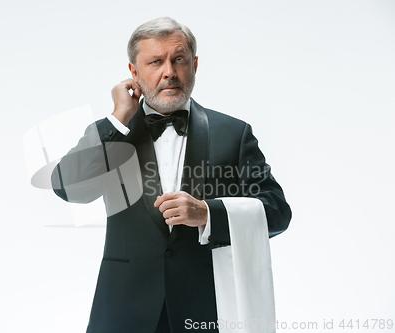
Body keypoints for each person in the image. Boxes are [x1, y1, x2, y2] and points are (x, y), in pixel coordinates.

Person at [51, 17, 291, 333]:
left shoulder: (233, 133)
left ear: (194, 64)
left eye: (178, 60)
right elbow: (68, 187)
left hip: (206, 310)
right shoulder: (111, 132)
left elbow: (277, 211)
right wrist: (119, 117)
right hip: (123, 312)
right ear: (133, 73)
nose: (169, 72)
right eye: (155, 62)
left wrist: (208, 213)